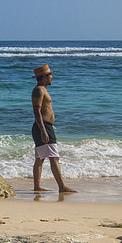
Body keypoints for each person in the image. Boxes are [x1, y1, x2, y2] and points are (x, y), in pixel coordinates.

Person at [31, 64, 76, 193]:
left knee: (40, 159)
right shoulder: (38, 90)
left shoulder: (42, 89)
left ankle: (37, 187)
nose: (51, 77)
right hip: (43, 127)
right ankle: (62, 187)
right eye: (50, 75)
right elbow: (37, 112)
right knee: (54, 157)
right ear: (44, 77)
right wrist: (43, 130)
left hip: (44, 127)